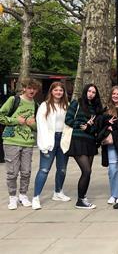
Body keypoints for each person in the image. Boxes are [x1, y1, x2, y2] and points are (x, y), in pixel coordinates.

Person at [0, 78, 41, 210]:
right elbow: (1, 116)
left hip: (28, 142)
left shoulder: (36, 105)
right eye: (29, 88)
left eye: (34, 89)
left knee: (26, 171)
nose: (32, 91)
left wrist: (32, 124)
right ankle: (12, 197)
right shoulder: (13, 100)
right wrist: (16, 120)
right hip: (11, 140)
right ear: (24, 88)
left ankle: (23, 195)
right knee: (12, 172)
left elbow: (38, 126)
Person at [33, 82, 71, 210]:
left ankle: (58, 192)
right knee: (44, 169)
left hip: (63, 139)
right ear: (51, 91)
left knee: (62, 169)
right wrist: (43, 144)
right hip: (50, 139)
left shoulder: (66, 105)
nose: (59, 92)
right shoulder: (44, 106)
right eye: (56, 90)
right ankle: (36, 197)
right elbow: (41, 125)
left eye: (61, 90)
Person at [65, 84, 102, 209]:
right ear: (85, 91)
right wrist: (82, 125)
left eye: (93, 92)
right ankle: (80, 200)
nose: (91, 94)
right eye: (89, 91)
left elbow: (96, 127)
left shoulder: (96, 108)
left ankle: (83, 197)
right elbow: (68, 119)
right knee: (86, 170)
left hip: (90, 142)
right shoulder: (77, 103)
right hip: (78, 141)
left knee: (87, 173)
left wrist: (90, 126)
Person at [97, 86, 118, 205]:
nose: (115, 96)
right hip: (112, 143)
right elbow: (99, 125)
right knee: (113, 169)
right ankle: (114, 194)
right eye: (113, 94)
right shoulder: (106, 109)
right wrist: (107, 126)